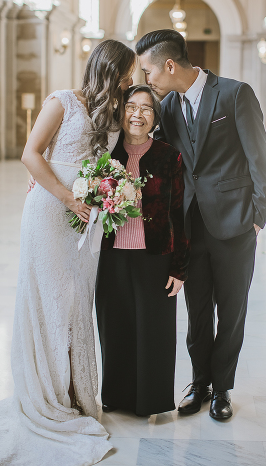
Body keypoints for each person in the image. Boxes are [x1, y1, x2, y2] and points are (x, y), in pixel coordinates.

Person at [0, 40, 135, 465]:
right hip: (49, 211)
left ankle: (77, 393)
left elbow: (102, 162)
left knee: (77, 301)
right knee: (49, 300)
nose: (130, 82)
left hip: (86, 219)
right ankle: (48, 398)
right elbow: (30, 153)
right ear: (107, 68)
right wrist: (66, 196)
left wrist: (103, 195)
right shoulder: (63, 101)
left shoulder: (112, 111)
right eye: (126, 73)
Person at [137, 30, 266, 421]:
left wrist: (258, 218)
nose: (149, 80)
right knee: (197, 312)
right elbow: (158, 151)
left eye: (149, 71)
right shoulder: (169, 108)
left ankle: (223, 389)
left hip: (235, 225)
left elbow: (258, 156)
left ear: (168, 64)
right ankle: (200, 383)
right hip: (189, 227)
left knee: (231, 311)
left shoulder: (234, 94)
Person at [95, 85, 188, 416]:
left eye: (146, 109)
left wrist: (179, 268)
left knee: (155, 334)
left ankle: (151, 401)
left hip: (156, 259)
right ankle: (117, 399)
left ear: (155, 117)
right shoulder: (105, 154)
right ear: (120, 112)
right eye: (131, 107)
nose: (137, 114)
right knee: (115, 328)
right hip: (111, 257)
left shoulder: (169, 156)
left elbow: (179, 215)